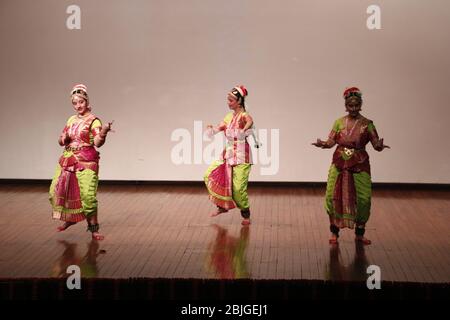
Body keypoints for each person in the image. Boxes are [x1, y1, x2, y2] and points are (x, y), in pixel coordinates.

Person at [312, 87, 389, 245]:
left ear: (360, 105)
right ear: (346, 106)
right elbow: (331, 141)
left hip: (360, 164)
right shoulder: (339, 122)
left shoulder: (368, 124)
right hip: (339, 162)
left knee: (363, 199)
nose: (353, 108)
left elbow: (375, 144)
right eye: (350, 106)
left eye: (356, 105)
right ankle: (334, 232)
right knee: (332, 196)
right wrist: (323, 145)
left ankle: (359, 234)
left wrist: (380, 146)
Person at [49, 84, 113, 240]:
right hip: (68, 159)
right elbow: (61, 139)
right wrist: (62, 139)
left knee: (88, 197)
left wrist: (104, 131)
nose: (78, 106)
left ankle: (93, 228)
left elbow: (97, 142)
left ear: (86, 101)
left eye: (81, 102)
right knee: (56, 191)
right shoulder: (71, 119)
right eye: (75, 103)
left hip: (86, 162)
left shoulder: (94, 121)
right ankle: (71, 219)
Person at [204, 85, 254, 225]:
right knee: (209, 174)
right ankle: (222, 206)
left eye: (231, 100)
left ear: (239, 101)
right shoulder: (228, 117)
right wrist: (210, 130)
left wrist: (245, 128)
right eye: (228, 99)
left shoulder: (244, 116)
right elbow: (218, 128)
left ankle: (245, 213)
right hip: (228, 154)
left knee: (238, 189)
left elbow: (249, 121)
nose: (228, 102)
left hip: (242, 157)